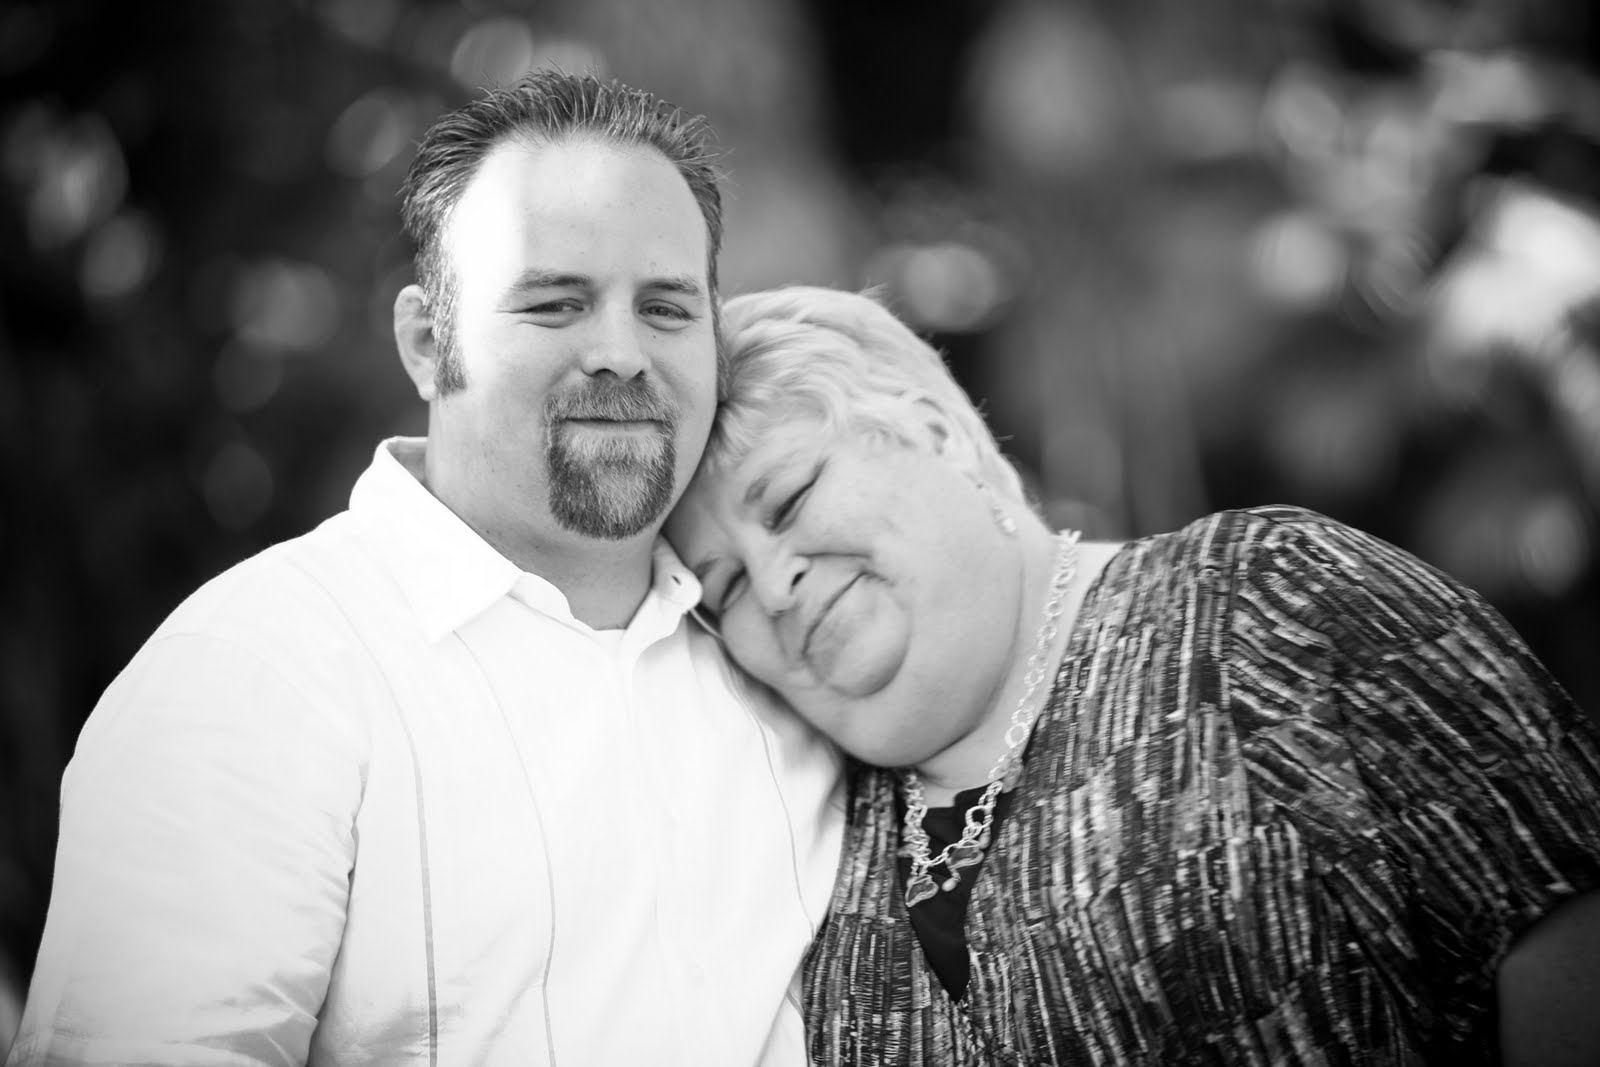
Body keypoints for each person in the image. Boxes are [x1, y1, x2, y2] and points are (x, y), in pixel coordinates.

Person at [6, 73, 842, 1066]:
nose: (620, 352)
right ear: (425, 340)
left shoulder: (793, 657)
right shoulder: (254, 673)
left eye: (665, 308)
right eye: (554, 302)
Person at [665, 285, 1600, 1066]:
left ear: (936, 431)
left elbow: (1559, 917)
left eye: (788, 499)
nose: (776, 586)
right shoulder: (799, 841)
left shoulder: (1274, 603)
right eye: (728, 584)